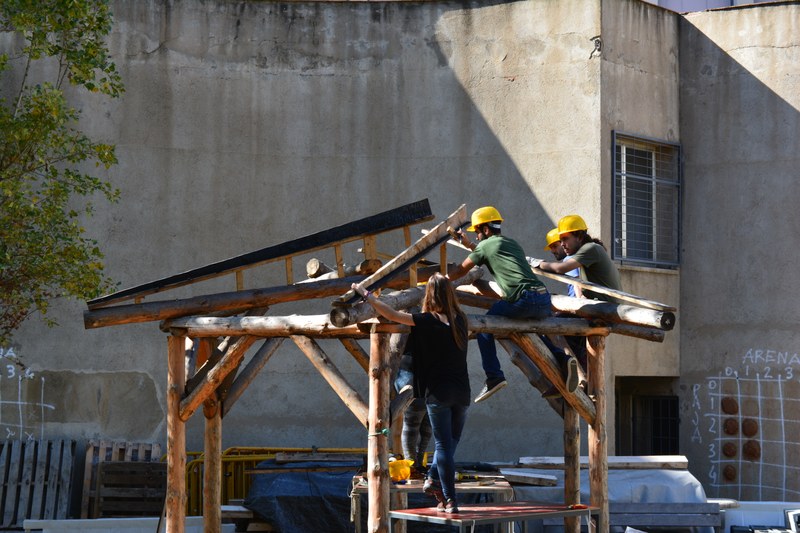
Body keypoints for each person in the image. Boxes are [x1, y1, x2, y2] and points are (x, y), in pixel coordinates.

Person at [352, 274, 470, 513]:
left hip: (438, 393)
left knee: (444, 447)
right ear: (450, 294)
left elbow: (392, 315)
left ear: (429, 294)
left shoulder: (426, 320)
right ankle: (433, 480)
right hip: (462, 391)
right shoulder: (461, 320)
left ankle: (450, 500)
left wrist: (367, 295)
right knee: (449, 444)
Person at [448, 206, 577, 403]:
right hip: (543, 299)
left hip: (524, 299)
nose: (478, 237)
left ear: (486, 230)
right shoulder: (510, 243)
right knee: (535, 333)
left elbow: (460, 271)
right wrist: (468, 244)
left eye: (478, 232)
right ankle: (563, 358)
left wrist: (440, 279)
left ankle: (494, 377)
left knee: (484, 328)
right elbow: (486, 252)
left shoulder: (486, 245)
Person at [535, 215, 622, 299]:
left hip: (608, 306)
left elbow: (561, 268)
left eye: (565, 239)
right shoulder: (587, 251)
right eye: (560, 240)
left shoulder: (590, 248)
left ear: (579, 237)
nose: (562, 244)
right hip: (603, 304)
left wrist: (537, 263)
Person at [394, 354, 432, 478]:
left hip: (426, 377)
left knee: (426, 426)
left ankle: (418, 465)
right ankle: (412, 465)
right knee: (412, 425)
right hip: (411, 375)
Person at [543, 228, 581, 298]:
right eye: (551, 247)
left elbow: (577, 284)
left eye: (555, 246)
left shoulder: (569, 259)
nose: (552, 251)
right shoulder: (577, 256)